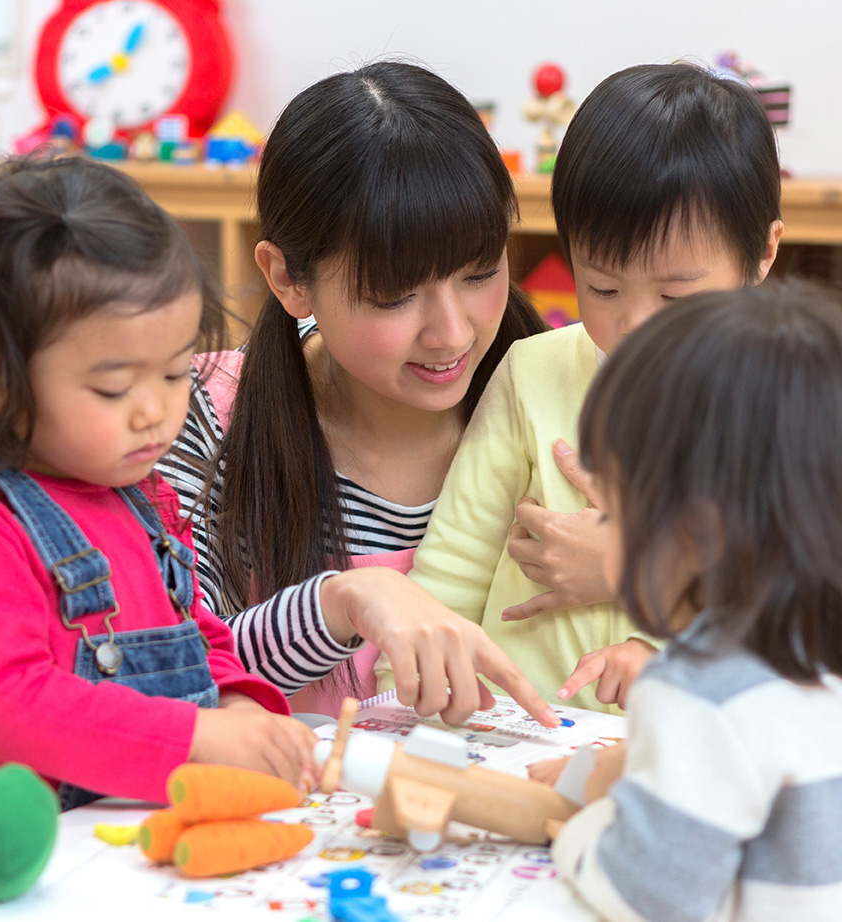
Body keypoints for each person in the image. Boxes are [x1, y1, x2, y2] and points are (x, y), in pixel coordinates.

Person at [0, 156, 316, 855]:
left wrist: (234, 700)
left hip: (140, 825)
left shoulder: (140, 495)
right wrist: (194, 736)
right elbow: (4, 702)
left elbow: (193, 629)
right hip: (25, 855)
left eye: (175, 373)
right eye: (113, 389)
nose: (155, 413)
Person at [549, 280, 842, 922]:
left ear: (697, 534)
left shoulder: (697, 694)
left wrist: (579, 831)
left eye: (612, 516)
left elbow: (648, 897)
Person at [156, 61, 559, 725]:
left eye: (479, 272)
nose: (451, 332)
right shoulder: (198, 412)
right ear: (288, 279)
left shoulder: (563, 398)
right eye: (394, 295)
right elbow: (174, 669)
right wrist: (343, 602)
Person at [400, 63, 784, 712]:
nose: (633, 322)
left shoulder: (785, 408)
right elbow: (454, 566)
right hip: (510, 728)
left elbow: (793, 596)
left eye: (675, 293)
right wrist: (405, 701)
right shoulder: (531, 374)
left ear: (762, 257)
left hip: (682, 744)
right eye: (603, 288)